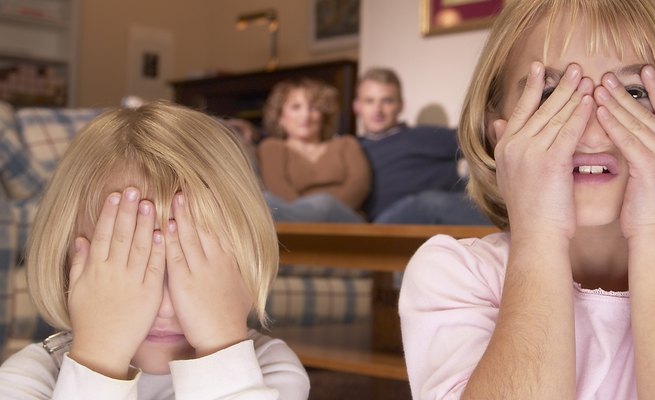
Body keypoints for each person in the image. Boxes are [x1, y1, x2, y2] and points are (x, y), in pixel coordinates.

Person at [399, 0, 655, 398]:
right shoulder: (454, 274)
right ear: (497, 133)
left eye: (633, 94)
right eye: (552, 96)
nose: (591, 134)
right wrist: (539, 236)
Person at [0, 101, 310, 399]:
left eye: (192, 264)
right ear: (66, 265)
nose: (164, 307)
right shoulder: (30, 377)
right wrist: (99, 357)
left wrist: (222, 346)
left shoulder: (269, 368)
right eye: (129, 265)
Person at [354, 67, 491, 225]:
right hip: (383, 221)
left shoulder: (421, 135)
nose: (377, 110)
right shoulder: (353, 148)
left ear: (400, 106)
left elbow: (480, 139)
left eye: (387, 101)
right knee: (428, 203)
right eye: (369, 101)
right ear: (357, 106)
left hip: (458, 199)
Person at [258, 78, 370, 223]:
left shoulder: (347, 144)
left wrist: (327, 207)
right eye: (296, 107)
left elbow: (359, 185)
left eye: (314, 108)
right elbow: (280, 194)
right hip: (294, 223)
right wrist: (309, 213)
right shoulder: (271, 148)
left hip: (345, 221)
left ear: (324, 115)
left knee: (324, 202)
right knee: (268, 201)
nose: (305, 115)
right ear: (280, 117)